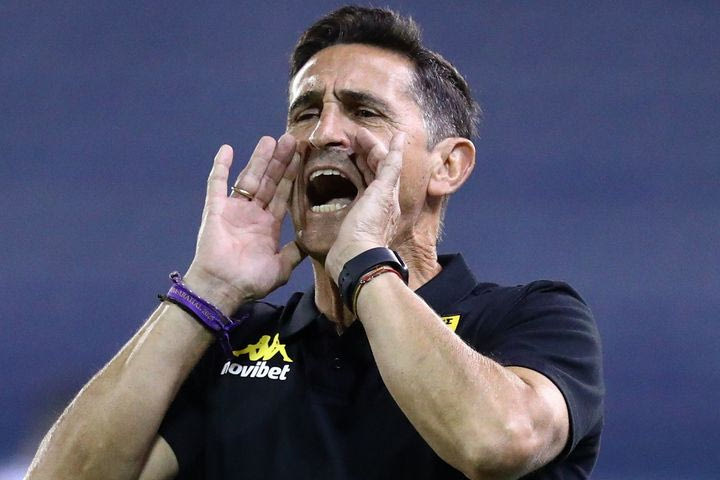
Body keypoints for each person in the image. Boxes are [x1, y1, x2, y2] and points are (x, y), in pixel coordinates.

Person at [26, 6, 603, 480]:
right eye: (305, 113)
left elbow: (495, 443)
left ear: (447, 166)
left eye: (364, 111)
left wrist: (367, 267)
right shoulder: (232, 346)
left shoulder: (530, 319)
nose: (324, 133)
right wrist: (207, 290)